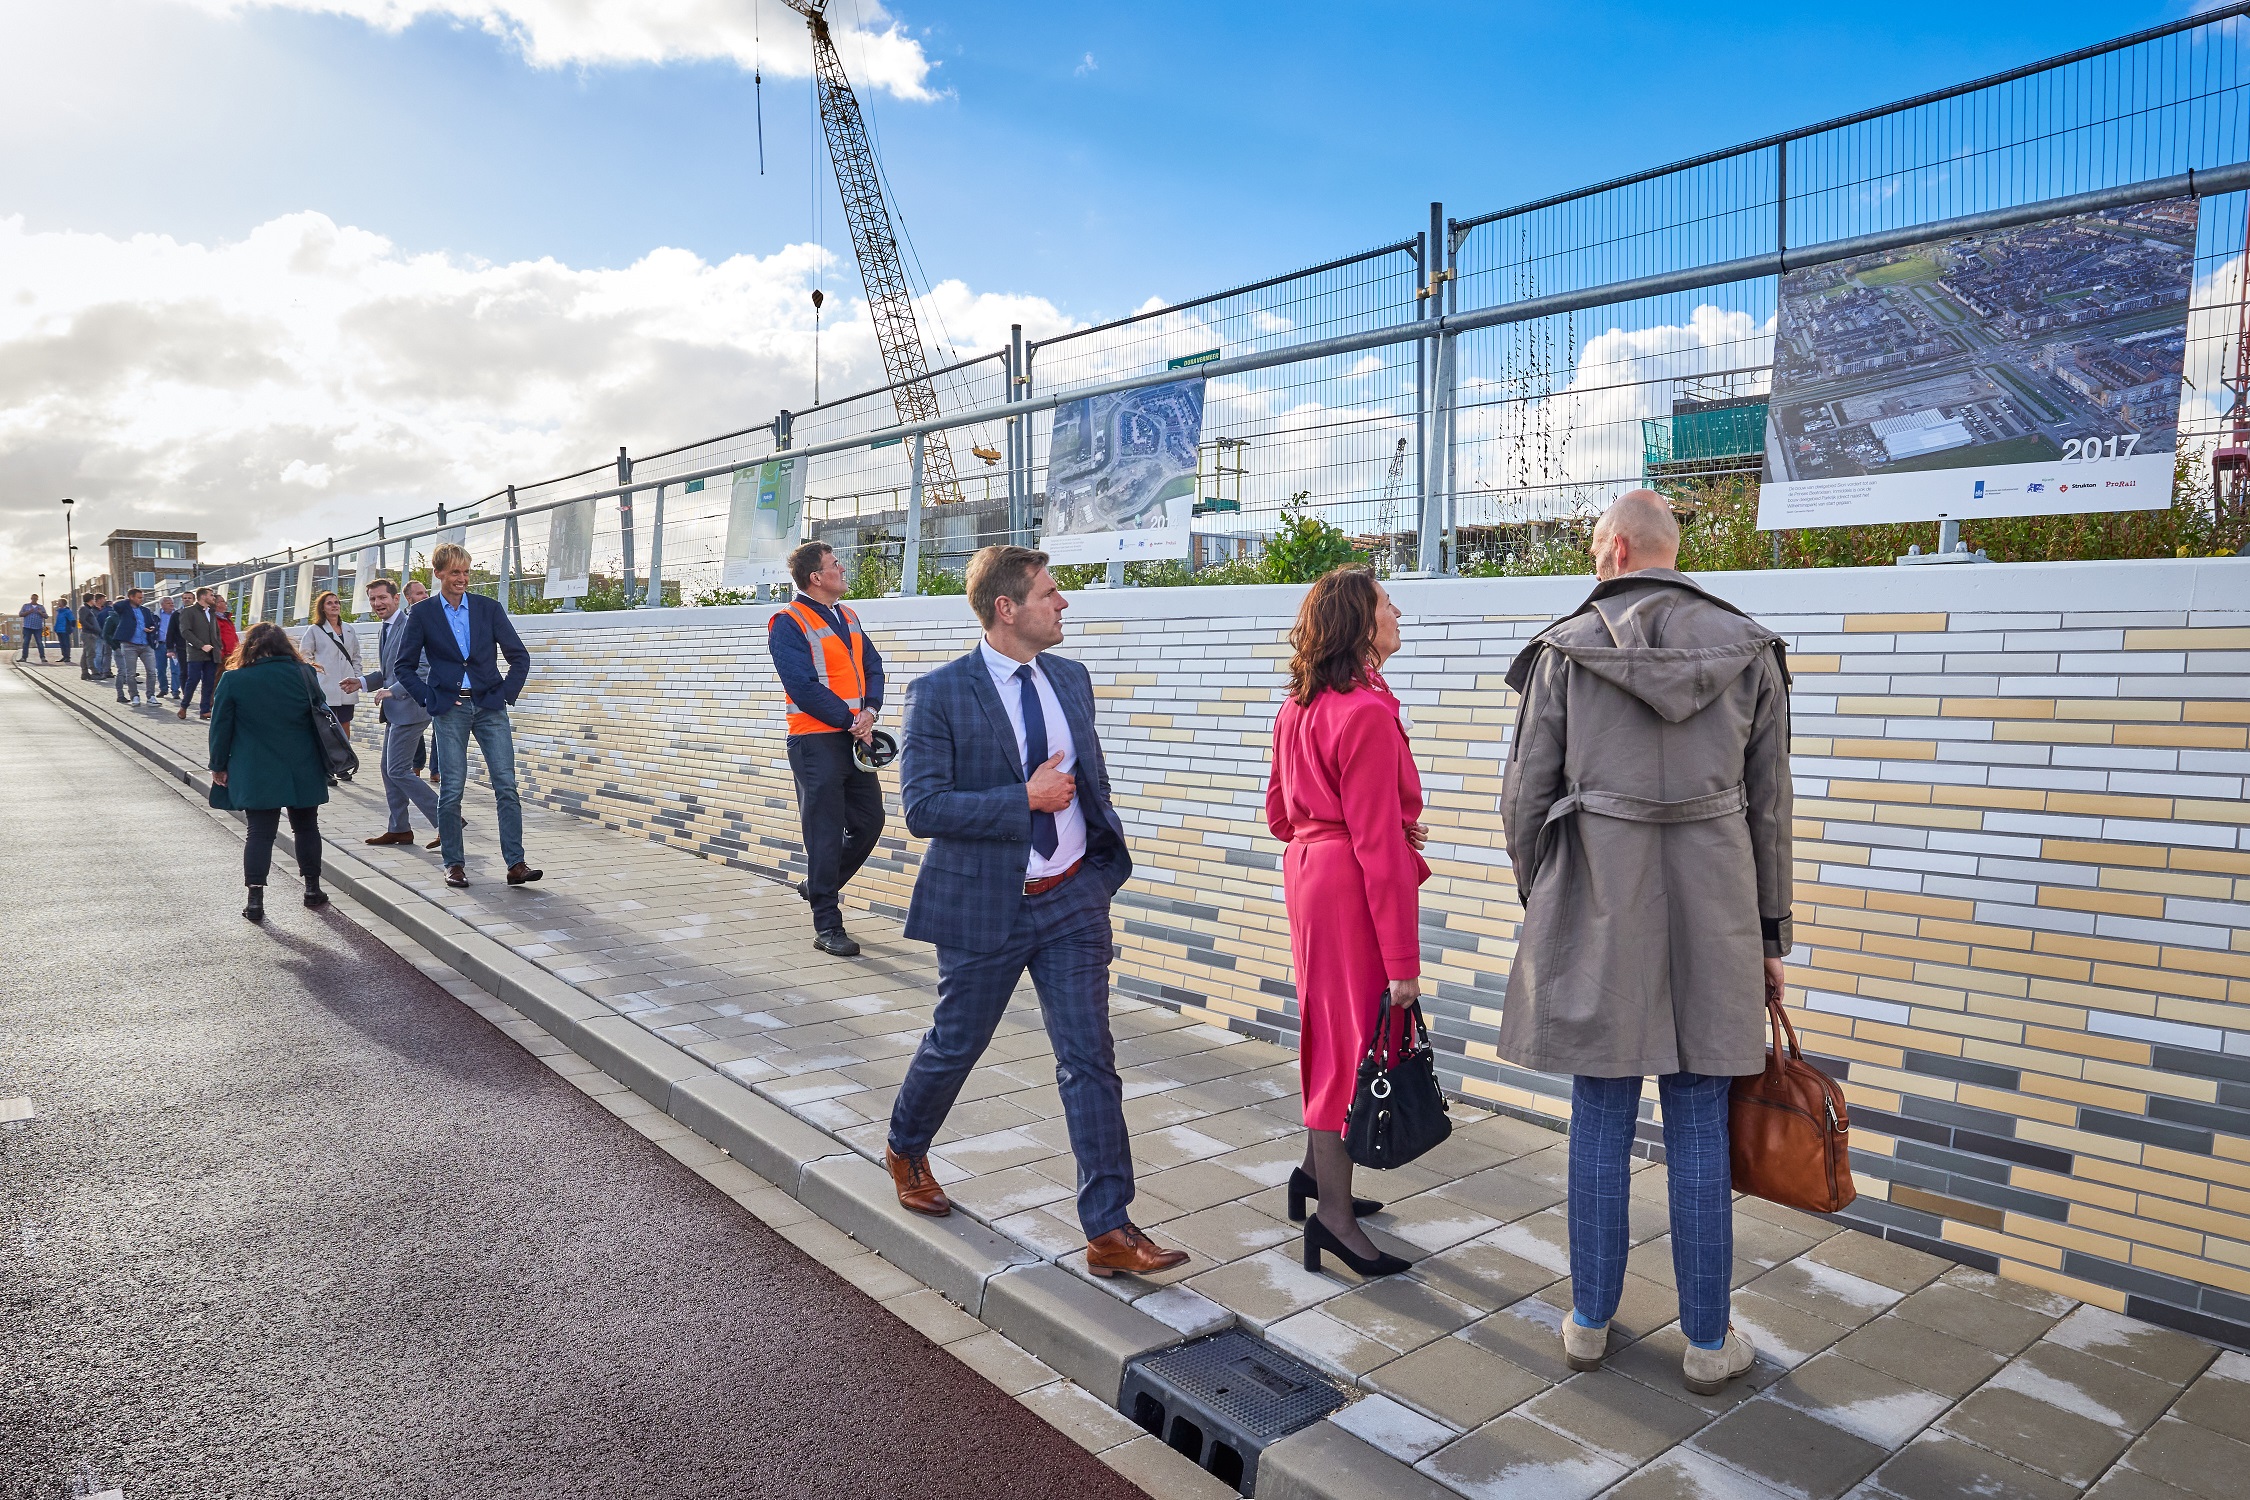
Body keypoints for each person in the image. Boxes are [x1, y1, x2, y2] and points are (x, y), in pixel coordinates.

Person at [1497, 488, 1794, 1397]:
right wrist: (1772, 931)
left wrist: (1546, 889)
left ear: (1619, 549)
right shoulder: (1751, 651)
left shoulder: (1563, 653)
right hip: (1718, 908)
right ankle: (1708, 1342)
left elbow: (1522, 799)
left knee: (1601, 1106)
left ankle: (1590, 1323)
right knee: (1700, 1113)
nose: (1593, 560)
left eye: (1595, 547)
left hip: (1599, 899)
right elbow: (1771, 809)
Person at [885, 546, 1188, 1279]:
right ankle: (904, 1146)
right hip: (987, 905)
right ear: (1006, 608)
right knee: (957, 1043)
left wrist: (1097, 874)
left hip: (1073, 898)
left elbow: (1090, 781)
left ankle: (1109, 1228)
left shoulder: (1070, 678)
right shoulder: (941, 693)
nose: (1064, 605)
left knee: (1090, 1061)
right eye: (1051, 594)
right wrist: (1022, 799)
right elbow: (923, 808)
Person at [1264, 567, 1427, 1280]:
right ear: (1363, 626)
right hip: (1350, 886)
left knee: (1329, 1033)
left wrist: (1315, 836)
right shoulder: (1362, 711)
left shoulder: (1299, 705)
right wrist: (1403, 963)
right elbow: (1378, 848)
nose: (1399, 614)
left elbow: (1277, 814)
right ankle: (1333, 1219)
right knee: (1350, 1046)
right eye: (1389, 605)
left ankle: (1315, 1178)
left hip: (1311, 873)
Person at [391, 543, 540, 890]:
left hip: (490, 706)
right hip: (449, 709)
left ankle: (516, 864)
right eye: (455, 572)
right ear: (439, 573)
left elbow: (519, 656)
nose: (462, 578)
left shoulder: (489, 609)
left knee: (506, 785)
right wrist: (431, 698)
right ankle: (454, 864)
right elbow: (404, 666)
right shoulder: (423, 614)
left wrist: (503, 693)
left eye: (466, 572)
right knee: (452, 788)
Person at [767, 540, 886, 957]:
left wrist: (870, 710)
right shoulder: (787, 621)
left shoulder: (848, 616)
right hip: (815, 741)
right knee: (824, 833)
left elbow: (872, 665)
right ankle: (827, 926)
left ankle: (817, 883)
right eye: (836, 564)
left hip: (855, 736)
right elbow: (800, 684)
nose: (842, 567)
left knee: (871, 822)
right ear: (816, 577)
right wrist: (850, 720)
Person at [208, 621, 331, 923]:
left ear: (249, 647)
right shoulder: (305, 674)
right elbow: (320, 713)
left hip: (256, 768)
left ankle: (255, 900)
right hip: (302, 763)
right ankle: (312, 889)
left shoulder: (234, 680)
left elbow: (220, 727)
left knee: (259, 833)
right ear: (285, 646)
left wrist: (218, 764)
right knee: (306, 827)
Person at [356, 576, 442, 848]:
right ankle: (400, 829)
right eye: (372, 599)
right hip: (395, 710)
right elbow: (388, 671)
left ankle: (446, 819)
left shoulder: (410, 626)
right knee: (387, 769)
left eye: (382, 597)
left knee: (398, 770)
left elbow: (423, 669)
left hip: (412, 707)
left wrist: (394, 690)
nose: (377, 603)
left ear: (397, 599)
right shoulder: (387, 627)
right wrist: (360, 683)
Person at [296, 590, 363, 735]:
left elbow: (356, 656)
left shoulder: (349, 629)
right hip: (326, 684)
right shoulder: (314, 630)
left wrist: (357, 676)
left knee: (345, 723)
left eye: (337, 602)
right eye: (329, 603)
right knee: (326, 725)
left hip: (347, 684)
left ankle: (346, 755)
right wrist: (316, 673)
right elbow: (304, 655)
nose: (334, 606)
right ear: (322, 608)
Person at [107, 588, 159, 705]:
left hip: (146, 644)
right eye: (139, 597)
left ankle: (151, 696)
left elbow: (151, 623)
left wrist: (151, 628)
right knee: (131, 673)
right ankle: (134, 696)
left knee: (151, 672)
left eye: (142, 597)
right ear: (131, 597)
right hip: (130, 645)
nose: (142, 599)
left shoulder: (145, 610)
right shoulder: (124, 609)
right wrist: (127, 600)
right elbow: (116, 605)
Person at [176, 588, 222, 720]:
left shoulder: (211, 613)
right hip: (196, 653)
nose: (213, 598)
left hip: (212, 653)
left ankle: (205, 710)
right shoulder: (188, 611)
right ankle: (184, 707)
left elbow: (216, 632)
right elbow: (185, 631)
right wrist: (201, 645)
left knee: (209, 682)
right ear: (202, 597)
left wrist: (218, 646)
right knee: (193, 680)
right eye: (211, 595)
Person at [153, 594, 181, 699]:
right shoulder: (156, 615)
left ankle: (175, 691)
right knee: (160, 668)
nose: (171, 605)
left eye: (172, 603)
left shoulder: (178, 614)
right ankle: (163, 689)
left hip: (174, 646)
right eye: (168, 603)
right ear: (162, 605)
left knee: (175, 669)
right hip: (160, 645)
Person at [16, 595, 47, 662]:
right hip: (27, 627)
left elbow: (46, 616)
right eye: (33, 598)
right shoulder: (26, 606)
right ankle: (24, 657)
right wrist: (29, 612)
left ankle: (42, 657)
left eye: (35, 598)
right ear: (31, 598)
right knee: (26, 642)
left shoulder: (41, 607)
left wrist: (40, 613)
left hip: (38, 627)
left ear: (37, 599)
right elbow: (20, 614)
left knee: (39, 642)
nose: (34, 600)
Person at [50, 595, 73, 666]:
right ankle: (64, 656)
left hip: (65, 630)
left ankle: (67, 657)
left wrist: (71, 628)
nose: (57, 603)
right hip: (59, 630)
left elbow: (72, 620)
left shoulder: (67, 611)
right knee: (62, 644)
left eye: (59, 602)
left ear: (62, 603)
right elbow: (58, 621)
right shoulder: (59, 612)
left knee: (66, 643)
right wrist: (55, 628)